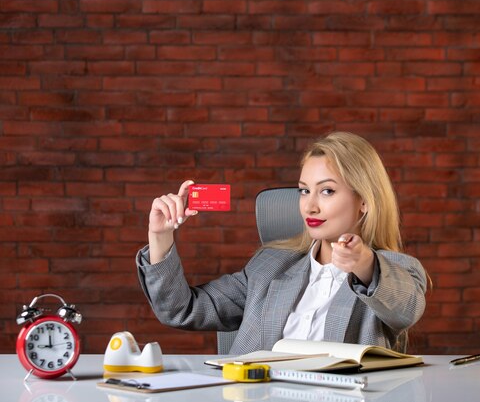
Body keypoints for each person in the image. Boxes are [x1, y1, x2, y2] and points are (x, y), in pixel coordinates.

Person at [136, 132, 428, 354]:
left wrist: (364, 264)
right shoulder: (270, 265)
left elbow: (406, 308)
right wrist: (161, 237)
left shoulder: (396, 270)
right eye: (304, 191)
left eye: (326, 191)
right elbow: (181, 309)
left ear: (364, 201)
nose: (309, 207)